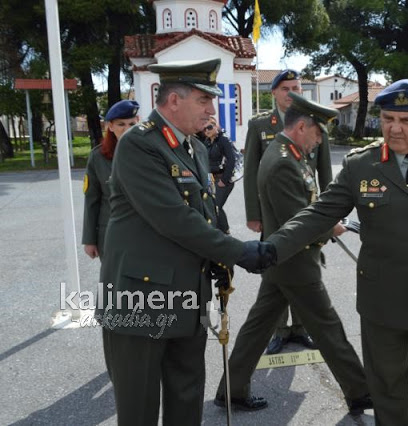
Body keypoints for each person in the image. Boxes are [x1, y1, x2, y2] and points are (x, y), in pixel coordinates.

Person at [266, 79, 408, 425]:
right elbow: (319, 213)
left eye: (406, 121)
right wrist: (270, 249)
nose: (394, 128)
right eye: (388, 118)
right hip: (382, 299)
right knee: (387, 392)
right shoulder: (362, 164)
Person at [97, 58, 275, 426]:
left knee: (186, 398)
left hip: (188, 296)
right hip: (140, 301)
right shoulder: (139, 144)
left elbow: (204, 213)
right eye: (203, 100)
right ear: (173, 101)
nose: (212, 109)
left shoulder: (192, 147)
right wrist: (239, 252)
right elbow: (173, 219)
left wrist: (219, 262)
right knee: (139, 408)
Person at [214, 92, 372, 415]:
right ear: (302, 127)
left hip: (283, 262)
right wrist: (332, 227)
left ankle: (231, 390)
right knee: (328, 328)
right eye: (318, 133)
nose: (319, 141)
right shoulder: (284, 162)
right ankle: (360, 391)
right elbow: (296, 221)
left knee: (258, 327)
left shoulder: (291, 154)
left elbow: (305, 208)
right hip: (294, 263)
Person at [244, 69, 330, 354]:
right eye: (286, 89)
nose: (292, 93)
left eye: (296, 88)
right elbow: (251, 171)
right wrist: (253, 214)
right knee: (277, 266)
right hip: (273, 213)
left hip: (306, 206)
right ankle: (279, 330)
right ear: (274, 93)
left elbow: (324, 172)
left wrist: (330, 210)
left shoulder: (314, 122)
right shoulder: (260, 125)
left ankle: (301, 328)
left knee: (305, 264)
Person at [82, 99, 139, 259]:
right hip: (111, 233)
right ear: (110, 126)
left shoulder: (150, 152)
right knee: (113, 282)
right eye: (121, 124)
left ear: (139, 122)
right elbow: (92, 200)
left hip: (145, 233)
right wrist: (89, 240)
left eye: (131, 124)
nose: (127, 129)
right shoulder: (98, 157)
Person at [202, 115, 236, 234]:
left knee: (216, 206)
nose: (207, 131)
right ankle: (224, 231)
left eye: (210, 127)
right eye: (204, 129)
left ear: (216, 126)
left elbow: (231, 160)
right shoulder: (206, 142)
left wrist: (224, 180)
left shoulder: (223, 140)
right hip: (211, 179)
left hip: (223, 179)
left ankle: (224, 232)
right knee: (214, 206)